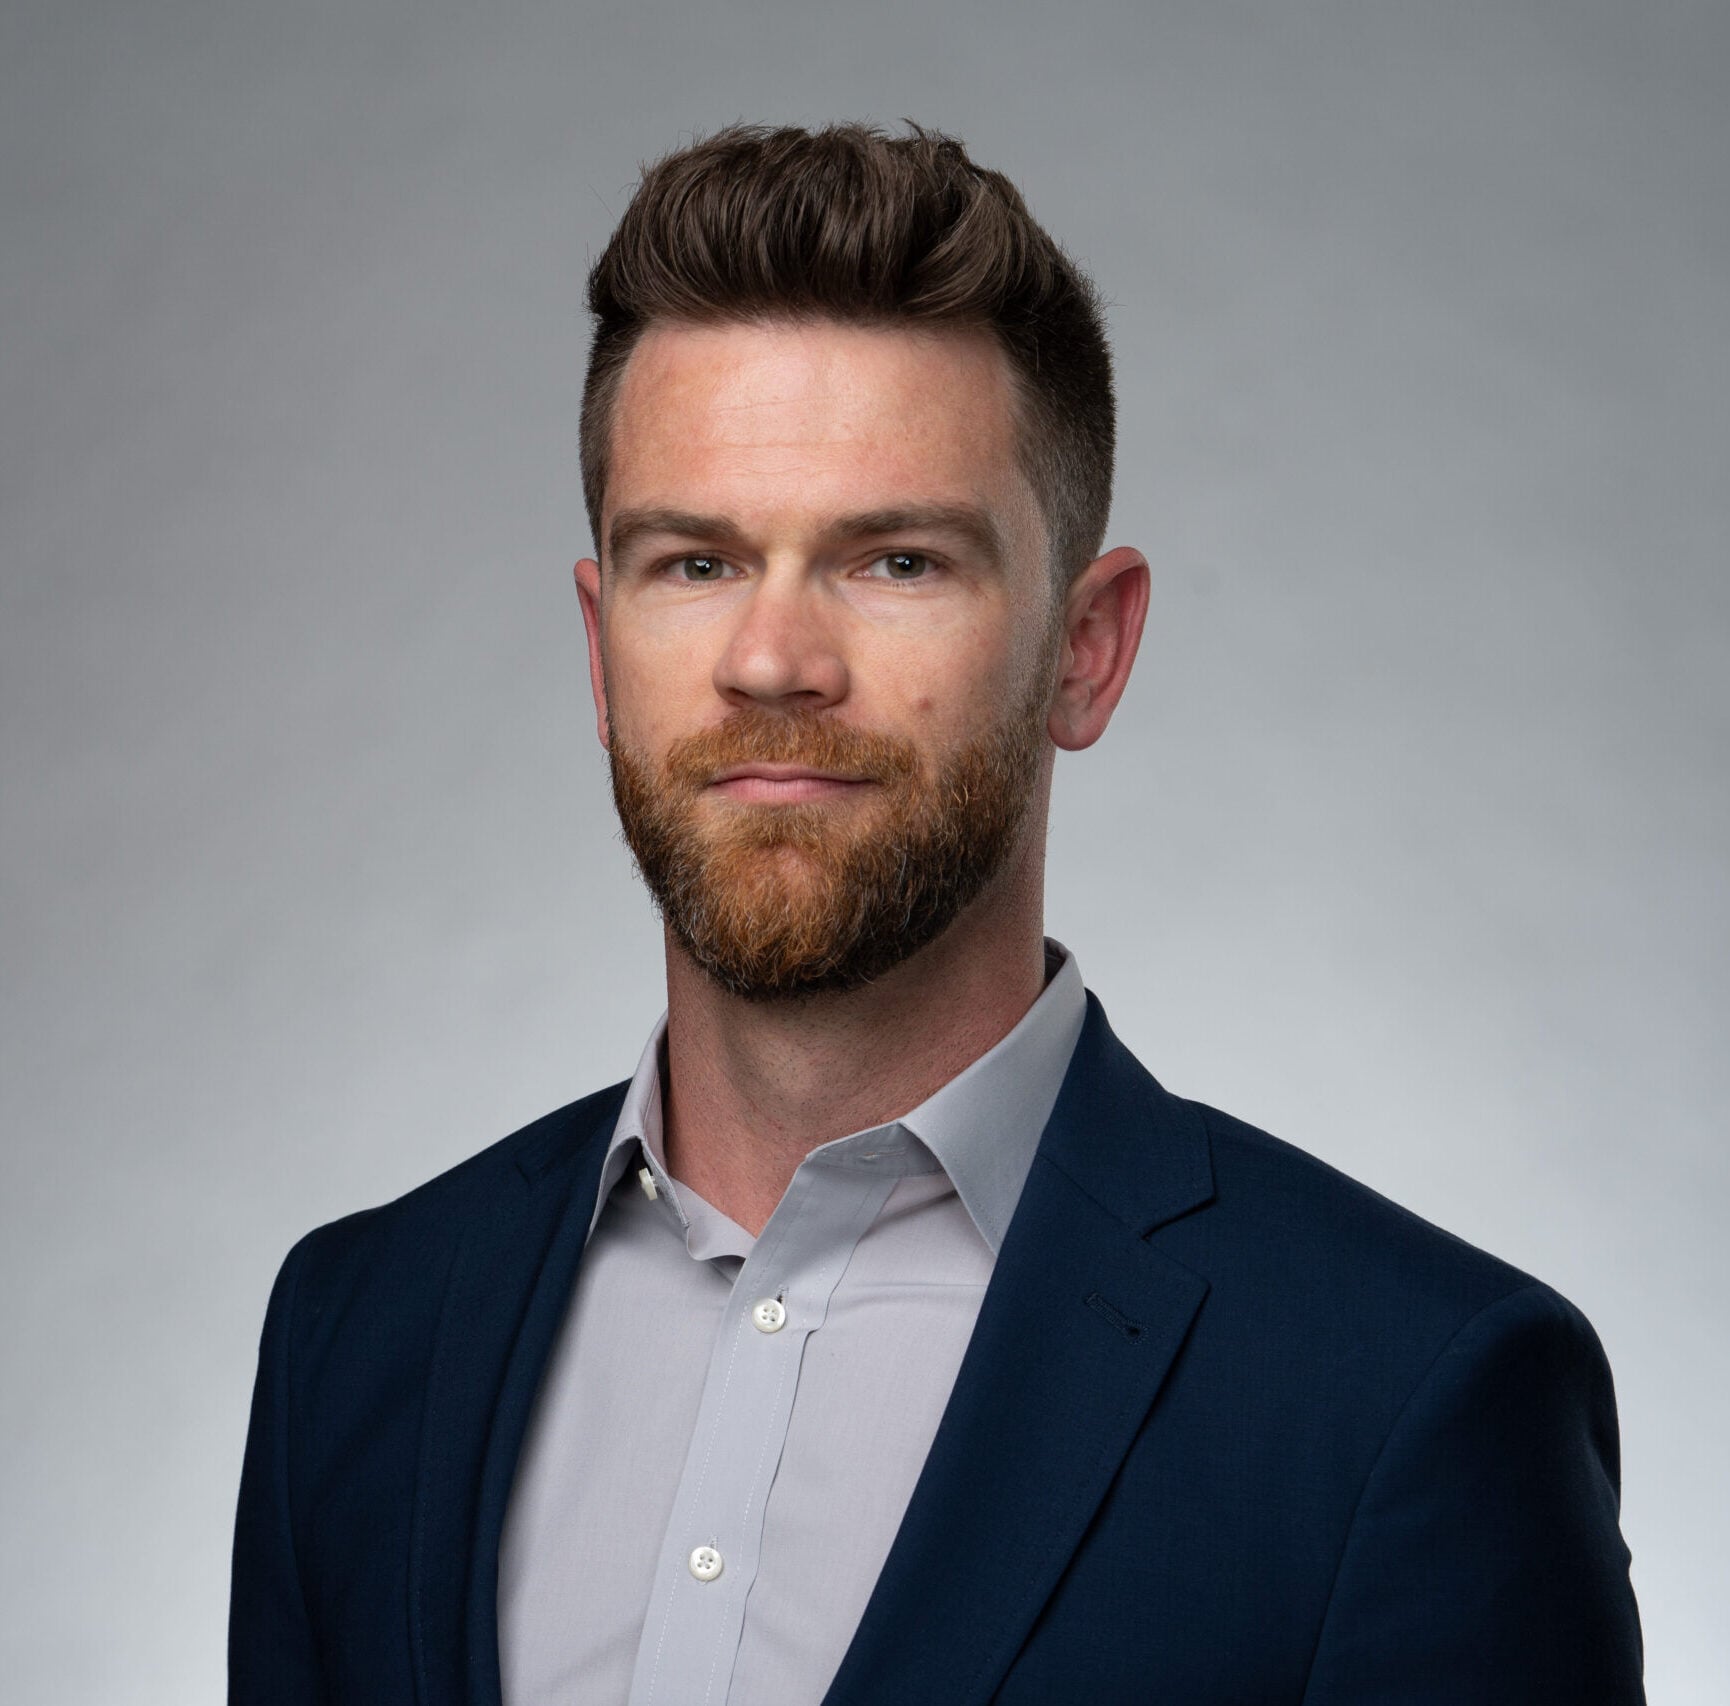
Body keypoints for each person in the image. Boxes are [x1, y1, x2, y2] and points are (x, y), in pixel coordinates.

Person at [228, 123, 1644, 1706]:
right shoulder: (358, 1336)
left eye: (894, 559)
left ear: (1084, 652)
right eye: (691, 562)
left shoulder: (1405, 1397)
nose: (771, 661)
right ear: (598, 640)